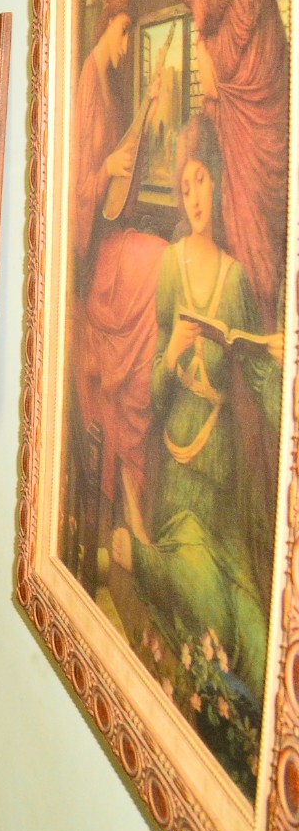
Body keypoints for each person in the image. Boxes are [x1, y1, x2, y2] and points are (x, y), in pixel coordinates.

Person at [117, 117, 281, 740]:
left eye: (202, 181)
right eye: (185, 186)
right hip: (180, 483)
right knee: (207, 607)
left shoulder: (236, 279)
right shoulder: (171, 271)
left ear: (217, 184)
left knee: (253, 631)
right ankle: (144, 548)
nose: (194, 195)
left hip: (222, 482)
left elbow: (261, 382)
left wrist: (278, 383)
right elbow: (153, 388)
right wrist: (175, 350)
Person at [161, 0, 288, 320]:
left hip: (261, 72)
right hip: (226, 98)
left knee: (265, 201)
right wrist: (206, 66)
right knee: (234, 217)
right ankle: (246, 331)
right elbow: (201, 30)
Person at [68, 0, 167, 551]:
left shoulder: (107, 83)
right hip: (95, 252)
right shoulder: (87, 82)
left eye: (133, 33)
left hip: (107, 234)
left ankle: (132, 470)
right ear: (107, 27)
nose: (129, 44)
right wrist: (106, 170)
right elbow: (84, 185)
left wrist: (149, 109)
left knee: (156, 256)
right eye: (126, 31)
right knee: (153, 262)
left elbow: (120, 155)